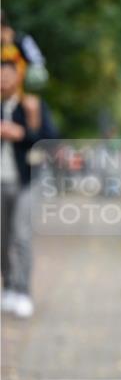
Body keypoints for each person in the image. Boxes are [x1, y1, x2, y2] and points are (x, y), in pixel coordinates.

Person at [0, 57, 56, 319]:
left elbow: (48, 140)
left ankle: (23, 291)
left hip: (25, 182)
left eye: (7, 75)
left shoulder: (32, 106)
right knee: (3, 239)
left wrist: (21, 133)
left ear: (18, 78)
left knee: (21, 236)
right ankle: (8, 286)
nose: (3, 80)